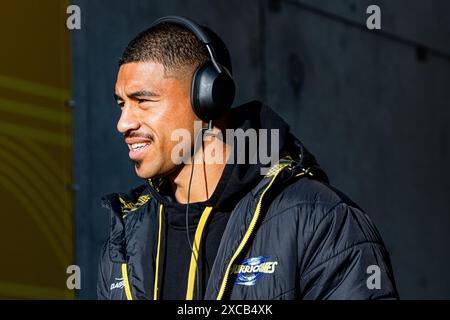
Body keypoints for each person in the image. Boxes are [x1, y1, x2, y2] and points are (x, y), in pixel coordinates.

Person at [97, 16, 398, 300]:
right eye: (122, 104)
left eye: (143, 101)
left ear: (209, 99)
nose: (123, 123)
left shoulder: (318, 219)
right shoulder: (125, 236)